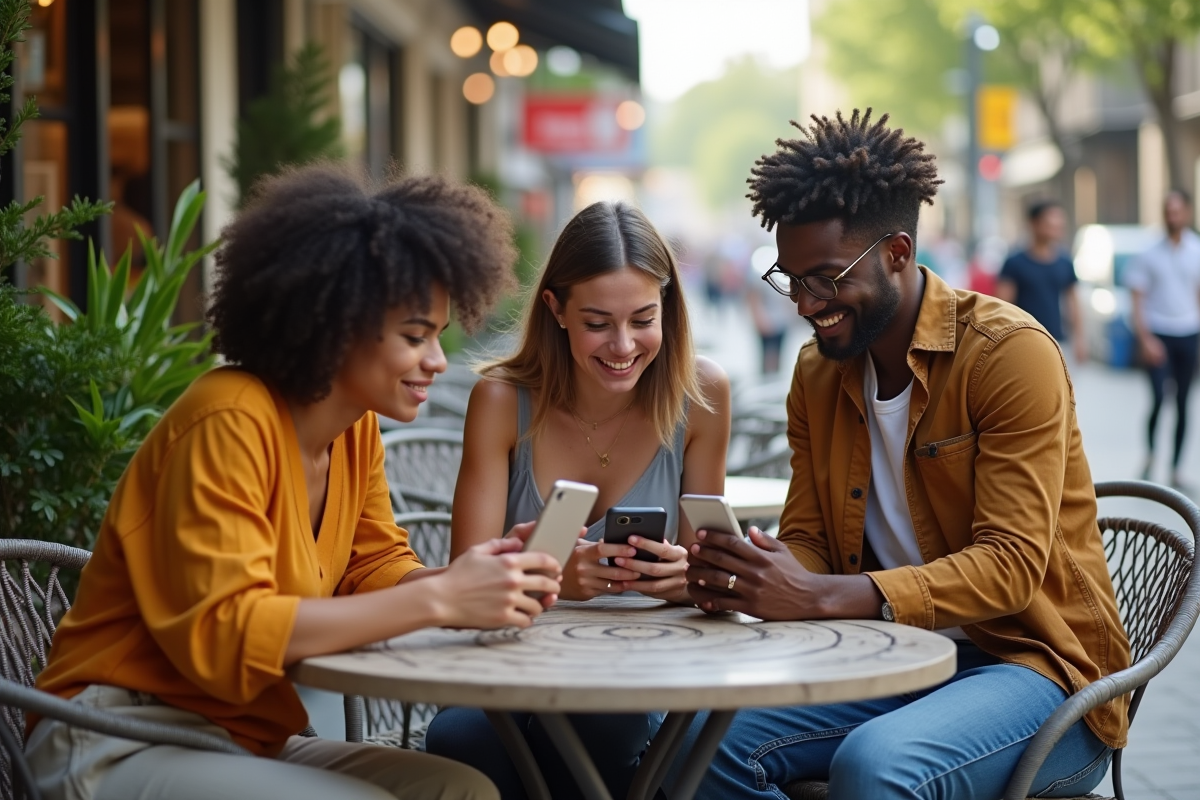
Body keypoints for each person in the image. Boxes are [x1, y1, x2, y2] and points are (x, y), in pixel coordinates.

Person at [26, 164, 566, 800]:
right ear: (335, 326)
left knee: (462, 790)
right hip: (112, 735)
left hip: (239, 736)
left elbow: (375, 564)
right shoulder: (228, 419)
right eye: (415, 337)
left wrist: (467, 578)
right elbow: (228, 632)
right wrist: (440, 601)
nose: (438, 361)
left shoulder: (354, 429)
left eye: (437, 336)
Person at [676, 109, 1130, 800]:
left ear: (896, 253)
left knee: (876, 764)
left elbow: (1010, 567)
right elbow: (810, 539)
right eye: (790, 279)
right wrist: (754, 574)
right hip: (893, 658)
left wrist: (824, 596)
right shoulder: (818, 373)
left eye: (825, 278)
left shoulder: (1009, 354)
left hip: (1039, 668)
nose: (805, 303)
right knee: (694, 741)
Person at [424, 201, 731, 800]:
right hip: (511, 665)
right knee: (462, 738)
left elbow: (713, 576)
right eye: (597, 323)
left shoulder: (702, 394)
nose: (622, 345)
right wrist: (553, 579)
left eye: (643, 318)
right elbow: (464, 576)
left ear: (668, 308)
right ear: (555, 310)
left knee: (606, 723)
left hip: (643, 670)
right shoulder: (500, 401)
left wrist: (683, 577)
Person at [1127, 189, 1200, 487]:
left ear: (1187, 213)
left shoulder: (1196, 249)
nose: (1173, 216)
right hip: (1158, 332)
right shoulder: (1148, 252)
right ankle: (1151, 455)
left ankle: (1175, 469)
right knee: (1159, 398)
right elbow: (1137, 299)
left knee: (1184, 402)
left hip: (1188, 332)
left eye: (1178, 211)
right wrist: (1145, 339)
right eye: (1168, 211)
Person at [995, 199, 1087, 363]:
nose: (1056, 227)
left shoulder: (1064, 262)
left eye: (1059, 223)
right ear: (1034, 224)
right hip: (1024, 341)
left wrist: (1079, 339)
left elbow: (1073, 302)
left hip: (1058, 341)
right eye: (1050, 223)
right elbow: (1003, 306)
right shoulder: (1015, 263)